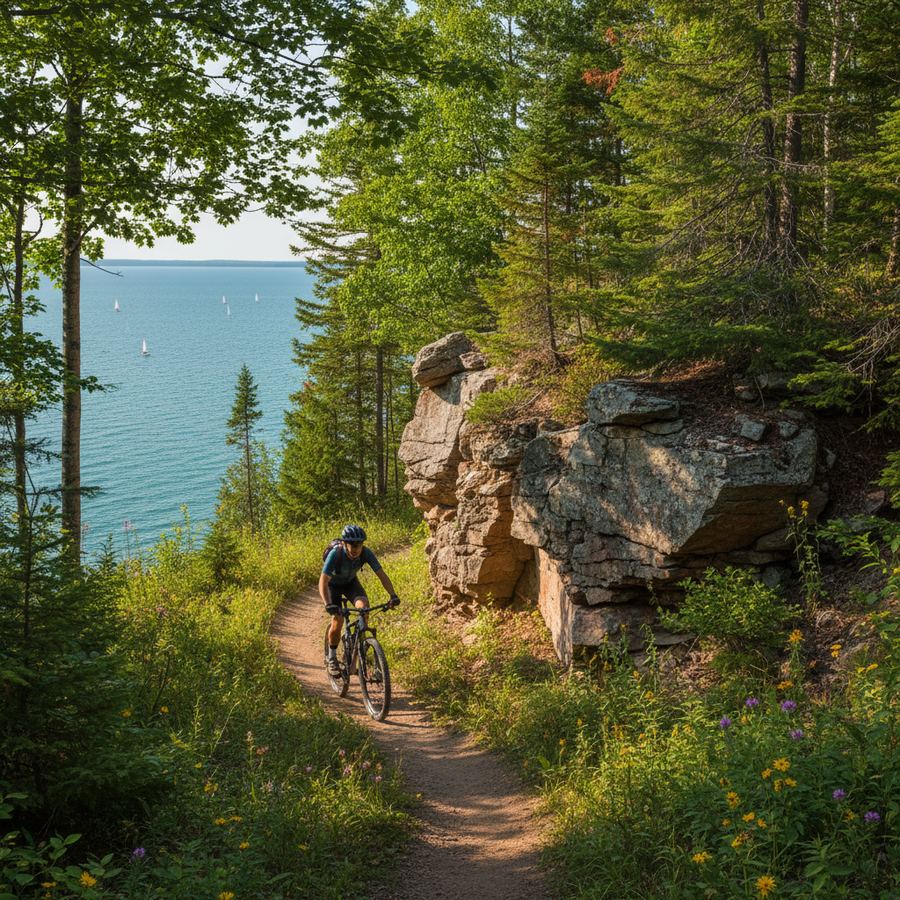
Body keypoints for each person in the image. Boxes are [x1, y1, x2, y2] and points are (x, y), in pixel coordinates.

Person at [320, 524, 400, 676]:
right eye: (352, 544)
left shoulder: (366, 553)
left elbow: (381, 575)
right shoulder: (335, 554)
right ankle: (331, 658)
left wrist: (393, 595)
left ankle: (354, 657)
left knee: (364, 610)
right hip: (333, 586)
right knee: (338, 620)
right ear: (344, 543)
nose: (356, 548)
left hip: (351, 584)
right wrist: (328, 604)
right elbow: (323, 581)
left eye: (360, 544)